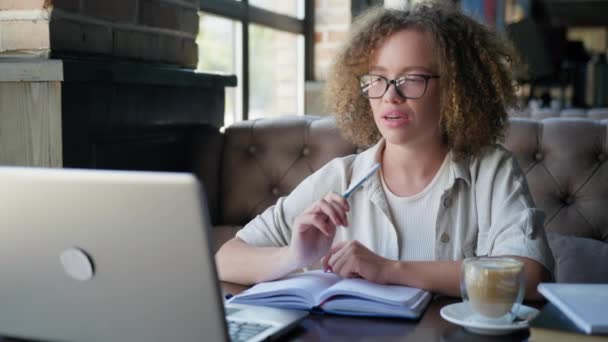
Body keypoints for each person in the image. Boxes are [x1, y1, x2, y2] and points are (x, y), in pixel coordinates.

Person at [216, 1, 553, 299]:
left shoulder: (491, 170)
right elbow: (225, 258)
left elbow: (531, 275)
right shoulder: (340, 177)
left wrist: (391, 270)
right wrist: (294, 256)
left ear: (455, 89)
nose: (390, 95)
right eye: (377, 79)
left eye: (412, 78)